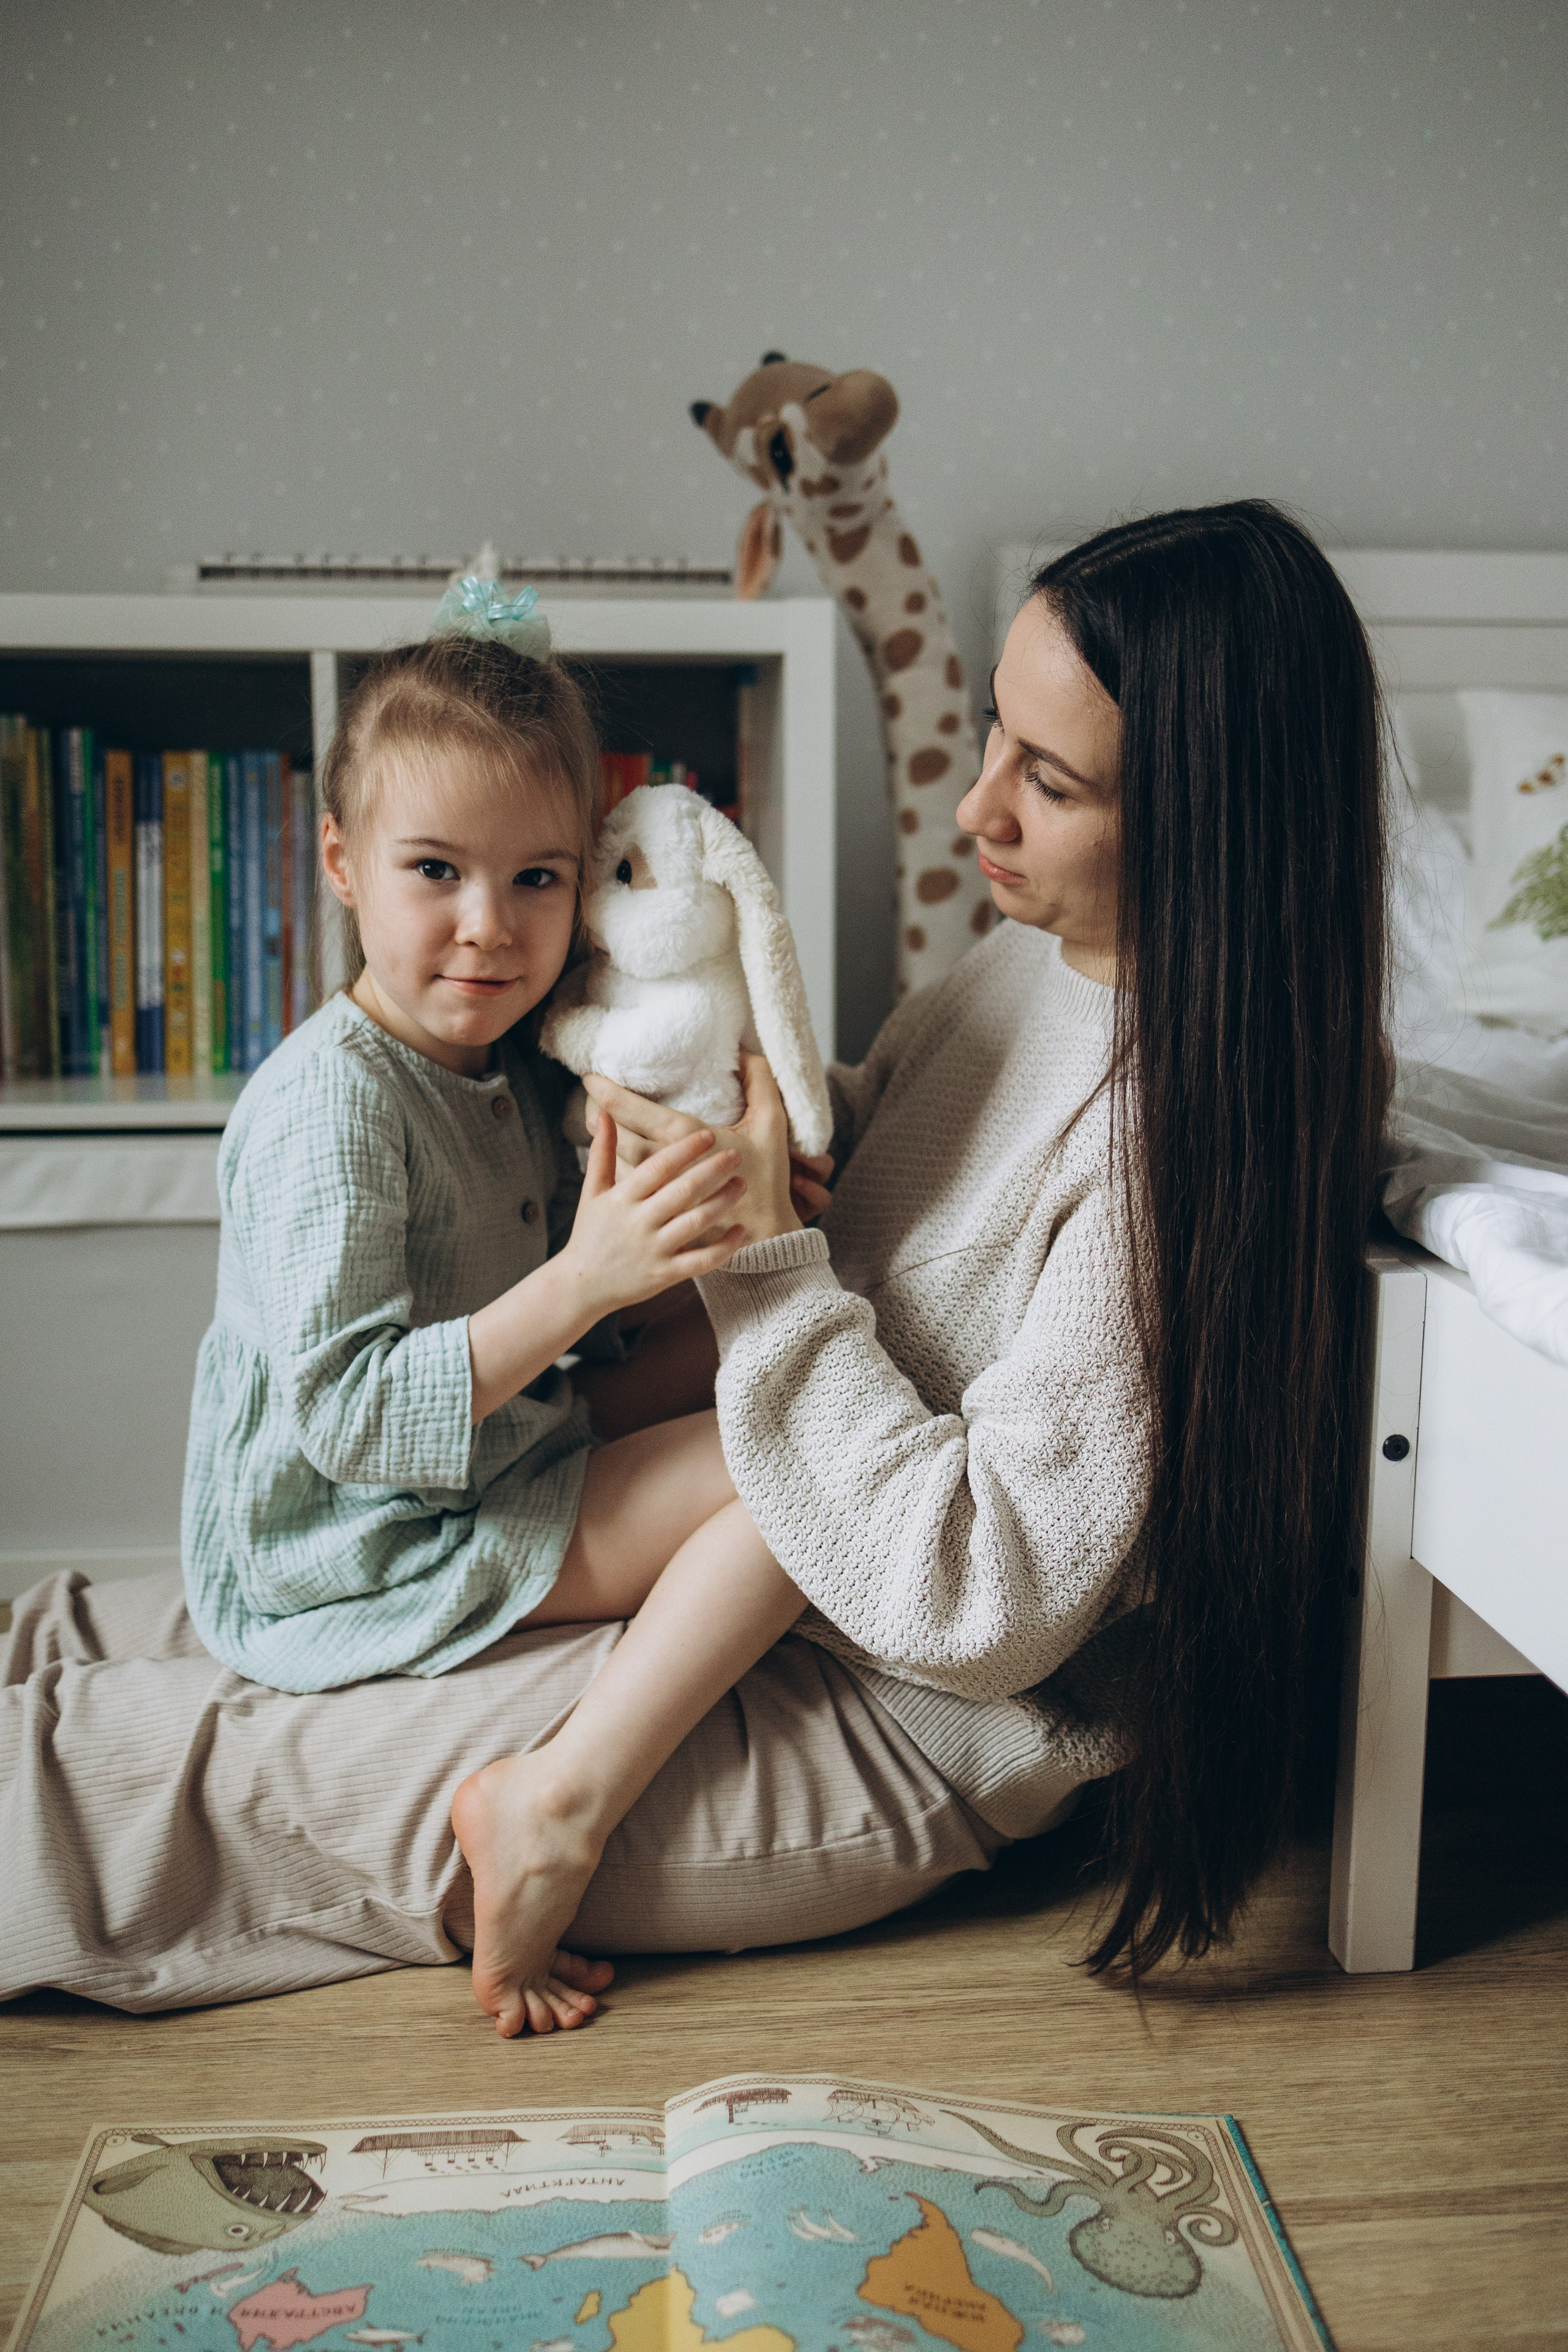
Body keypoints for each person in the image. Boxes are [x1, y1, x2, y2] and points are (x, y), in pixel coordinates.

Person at [0, 500, 1389, 2015]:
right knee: (104, 1629)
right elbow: (894, 1153)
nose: (972, 811)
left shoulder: (1182, 1142)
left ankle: (557, 1800)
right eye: (992, 736)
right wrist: (748, 1122)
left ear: (1215, 812)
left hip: (879, 1684)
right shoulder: (1032, 959)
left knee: (148, 1766)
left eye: (1045, 782)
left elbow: (978, 1598)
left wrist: (762, 1252)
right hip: (760, 1517)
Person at [179, 592, 818, 2038]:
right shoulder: (329, 1108)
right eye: (435, 873)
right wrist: (585, 1280)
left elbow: (596, 1314)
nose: (489, 929)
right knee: (802, 1479)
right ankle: (549, 1801)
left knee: (786, 1339)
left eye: (537, 879)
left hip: (504, 1427)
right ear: (340, 866)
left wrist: (725, 1201)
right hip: (364, 1533)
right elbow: (344, 1417)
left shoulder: (520, 1061)